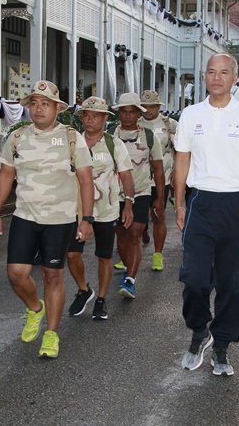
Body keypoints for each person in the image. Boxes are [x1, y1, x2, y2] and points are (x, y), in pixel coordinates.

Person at [174, 54, 239, 376]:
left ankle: (222, 345)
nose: (217, 78)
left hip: (238, 205)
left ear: (235, 79)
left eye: (224, 73)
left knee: (232, 282)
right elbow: (182, 160)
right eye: (211, 72)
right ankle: (199, 329)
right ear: (204, 77)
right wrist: (178, 203)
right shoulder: (191, 115)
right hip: (201, 202)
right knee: (194, 277)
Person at [0, 80, 94, 359]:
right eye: (34, 103)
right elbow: (6, 176)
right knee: (16, 274)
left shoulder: (72, 137)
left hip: (60, 219)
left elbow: (85, 179)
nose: (38, 108)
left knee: (52, 274)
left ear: (57, 109)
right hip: (25, 215)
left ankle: (51, 333)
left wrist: (86, 219)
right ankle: (36, 308)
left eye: (45, 103)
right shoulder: (18, 137)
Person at [66, 97, 135, 320]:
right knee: (72, 254)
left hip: (106, 209)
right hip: (77, 211)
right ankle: (84, 290)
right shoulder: (73, 143)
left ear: (105, 119)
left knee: (104, 256)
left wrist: (129, 205)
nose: (90, 119)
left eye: (96, 115)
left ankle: (102, 299)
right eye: (86, 115)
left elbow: (126, 175)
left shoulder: (114, 145)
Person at [110, 92, 165, 299]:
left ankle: (131, 280)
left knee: (134, 233)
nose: (127, 116)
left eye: (132, 112)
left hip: (141, 191)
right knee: (122, 236)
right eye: (124, 112)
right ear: (119, 113)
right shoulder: (110, 135)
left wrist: (159, 199)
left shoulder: (149, 136)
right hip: (115, 194)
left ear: (138, 113)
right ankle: (128, 268)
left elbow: (158, 170)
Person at [138, 90, 178, 272]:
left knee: (158, 215)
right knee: (135, 219)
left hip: (161, 178)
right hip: (138, 179)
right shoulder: (134, 123)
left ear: (158, 107)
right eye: (144, 106)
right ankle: (130, 252)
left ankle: (158, 255)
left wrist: (177, 171)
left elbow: (180, 150)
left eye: (152, 106)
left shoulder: (170, 124)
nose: (148, 110)